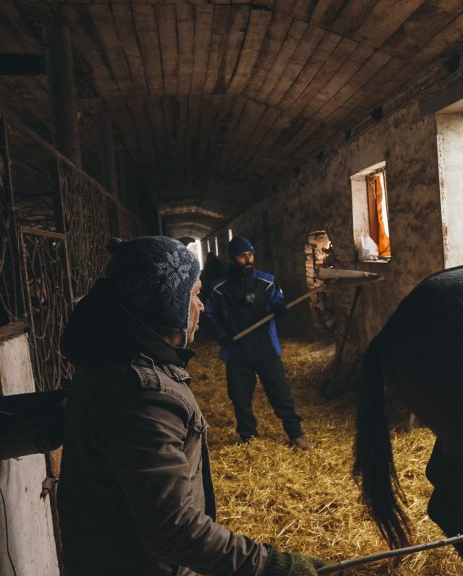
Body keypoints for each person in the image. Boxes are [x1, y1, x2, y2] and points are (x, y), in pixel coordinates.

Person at [58, 236, 324, 576]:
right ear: (167, 303)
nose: (199, 306)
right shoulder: (144, 394)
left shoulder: (111, 358)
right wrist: (273, 565)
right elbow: (173, 528)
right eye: (194, 294)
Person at [201, 236, 310, 449]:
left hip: (265, 349)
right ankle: (248, 437)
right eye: (242, 256)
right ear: (232, 259)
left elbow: (277, 301)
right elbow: (208, 315)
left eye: (250, 254)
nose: (248, 259)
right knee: (240, 398)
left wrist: (279, 309)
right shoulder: (218, 288)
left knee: (280, 393)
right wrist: (221, 336)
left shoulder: (266, 281)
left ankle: (295, 434)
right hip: (237, 352)